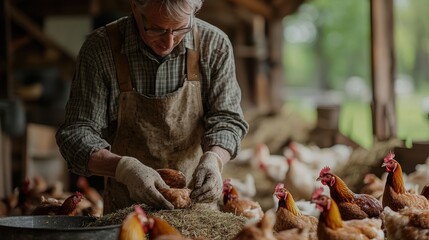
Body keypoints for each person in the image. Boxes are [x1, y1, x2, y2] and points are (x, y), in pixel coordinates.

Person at [56, 0, 248, 214]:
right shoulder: (101, 49)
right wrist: (124, 169)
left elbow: (228, 120)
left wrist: (214, 159)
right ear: (135, 9)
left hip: (196, 209)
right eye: (156, 29)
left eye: (180, 29)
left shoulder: (214, 45)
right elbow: (76, 134)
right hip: (128, 211)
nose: (168, 42)